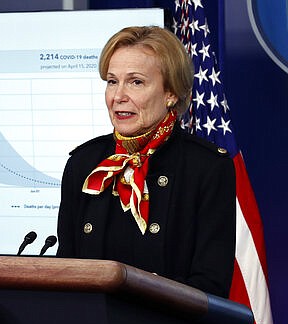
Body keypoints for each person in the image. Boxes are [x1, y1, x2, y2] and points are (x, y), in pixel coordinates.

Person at [56, 26, 236, 298]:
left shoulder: (207, 168)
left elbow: (210, 287)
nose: (118, 96)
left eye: (136, 82)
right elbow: (65, 270)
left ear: (171, 93)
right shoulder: (84, 164)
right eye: (112, 81)